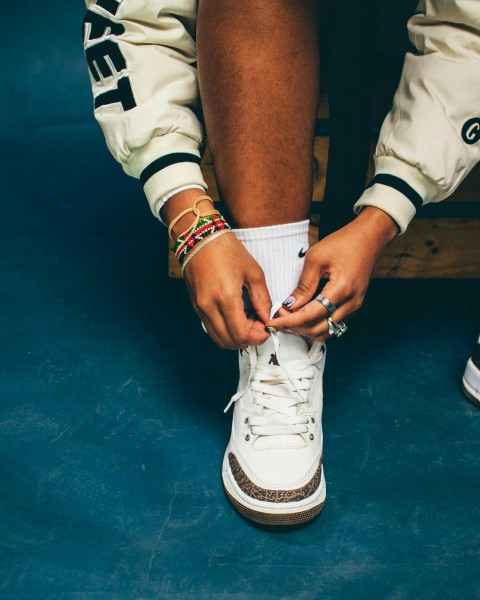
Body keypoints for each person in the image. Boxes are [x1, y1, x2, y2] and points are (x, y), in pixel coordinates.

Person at [83, 0, 480, 525]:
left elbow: (470, 30)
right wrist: (190, 218)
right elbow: (130, 19)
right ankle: (278, 347)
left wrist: (386, 210)